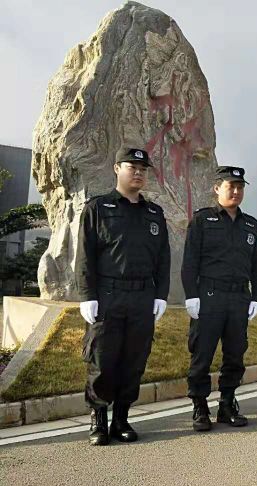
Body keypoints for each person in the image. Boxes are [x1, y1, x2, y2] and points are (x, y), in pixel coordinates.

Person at [76, 147, 170, 446]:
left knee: (134, 360)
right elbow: (85, 256)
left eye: (144, 168)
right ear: (117, 168)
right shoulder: (99, 208)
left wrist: (161, 294)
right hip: (108, 294)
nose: (139, 172)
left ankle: (122, 418)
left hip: (143, 296)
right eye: (133, 167)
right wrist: (88, 295)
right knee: (103, 360)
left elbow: (163, 258)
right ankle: (99, 419)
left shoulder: (154, 212)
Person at [181, 166, 257, 431]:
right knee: (202, 354)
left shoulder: (250, 224)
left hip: (239, 297)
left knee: (235, 354)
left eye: (240, 187)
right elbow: (190, 262)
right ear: (217, 188)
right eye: (231, 186)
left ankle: (227, 404)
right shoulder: (203, 221)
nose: (237, 191)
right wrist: (191, 296)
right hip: (209, 296)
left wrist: (256, 297)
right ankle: (199, 407)